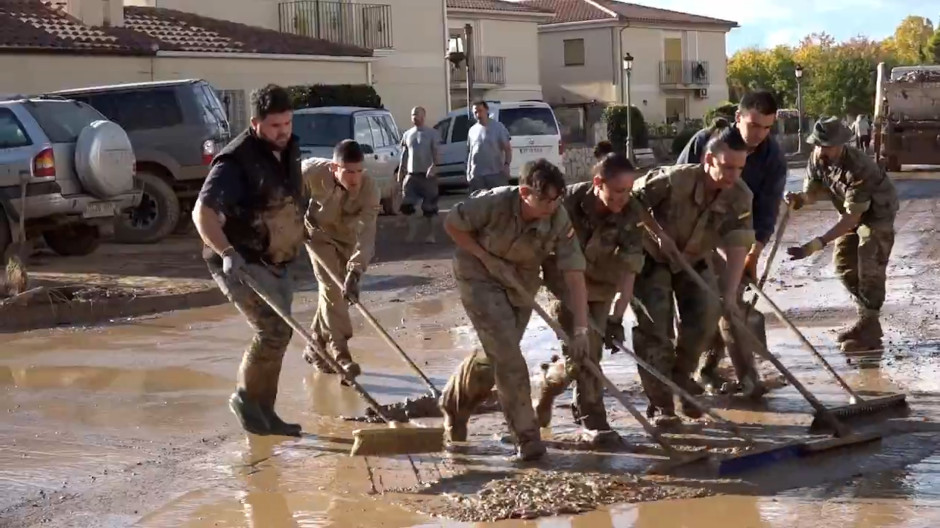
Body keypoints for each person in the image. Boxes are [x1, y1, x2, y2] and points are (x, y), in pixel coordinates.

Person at [438, 159, 591, 461]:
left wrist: (583, 328)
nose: (552, 206)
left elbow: (574, 270)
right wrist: (485, 257)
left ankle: (454, 404)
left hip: (520, 282)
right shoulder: (493, 204)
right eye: (545, 199)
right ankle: (527, 438)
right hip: (478, 276)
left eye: (557, 199)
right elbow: (452, 223)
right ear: (524, 193)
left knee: (494, 355)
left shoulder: (558, 217)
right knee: (508, 357)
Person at [192, 84, 306, 437]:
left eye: (287, 123)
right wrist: (227, 254)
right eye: (275, 126)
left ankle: (265, 413)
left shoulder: (288, 149)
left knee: (280, 333)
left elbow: (288, 198)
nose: (283, 131)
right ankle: (245, 400)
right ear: (256, 123)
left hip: (277, 259)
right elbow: (202, 212)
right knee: (272, 330)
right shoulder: (235, 161)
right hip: (240, 260)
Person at [632, 125, 754, 425]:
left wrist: (729, 294)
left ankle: (680, 376)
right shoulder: (674, 180)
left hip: (694, 256)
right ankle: (661, 405)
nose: (732, 175)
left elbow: (738, 245)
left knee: (707, 314)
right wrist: (657, 232)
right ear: (708, 160)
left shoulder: (740, 195)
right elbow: (631, 202)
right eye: (727, 167)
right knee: (656, 330)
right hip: (650, 258)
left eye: (739, 168)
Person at [676, 91, 787, 396]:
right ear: (739, 118)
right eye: (754, 126)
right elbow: (676, 185)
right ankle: (699, 372)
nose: (759, 135)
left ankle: (747, 378)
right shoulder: (704, 142)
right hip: (689, 234)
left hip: (734, 234)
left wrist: (755, 253)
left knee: (732, 300)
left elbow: (766, 212)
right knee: (705, 304)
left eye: (767, 128)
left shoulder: (772, 158)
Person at [534, 153, 645, 445]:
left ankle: (548, 384)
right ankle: (591, 419)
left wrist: (617, 318)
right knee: (587, 351)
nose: (624, 198)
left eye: (629, 191)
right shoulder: (567, 203)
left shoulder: (631, 211)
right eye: (618, 191)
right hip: (566, 286)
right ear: (598, 183)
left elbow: (630, 267)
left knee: (584, 354)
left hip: (602, 285)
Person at [785, 117, 898, 353]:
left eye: (828, 146)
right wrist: (799, 199)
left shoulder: (859, 166)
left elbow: (851, 219)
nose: (823, 150)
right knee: (843, 265)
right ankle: (867, 321)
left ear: (841, 144)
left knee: (869, 265)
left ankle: (870, 332)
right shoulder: (817, 158)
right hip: (851, 212)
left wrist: (815, 245)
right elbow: (813, 192)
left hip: (876, 214)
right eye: (819, 144)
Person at [300, 140, 381, 378]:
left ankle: (314, 346)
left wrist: (355, 271)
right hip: (317, 234)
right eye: (348, 171)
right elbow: (286, 186)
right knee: (332, 289)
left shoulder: (370, 190)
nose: (354, 178)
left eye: (358, 171)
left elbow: (367, 234)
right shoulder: (313, 171)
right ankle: (341, 355)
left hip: (346, 238)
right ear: (335, 168)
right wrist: (292, 216)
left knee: (340, 295)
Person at [398, 106, 441, 243]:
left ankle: (432, 235)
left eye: (417, 114)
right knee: (407, 206)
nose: (414, 117)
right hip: (412, 175)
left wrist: (433, 167)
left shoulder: (432, 134)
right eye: (412, 115)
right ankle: (412, 233)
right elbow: (404, 154)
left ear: (424, 116)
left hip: (428, 176)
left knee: (430, 209)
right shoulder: (407, 134)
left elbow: (437, 153)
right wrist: (401, 171)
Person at [466, 101, 512, 193]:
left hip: (496, 174)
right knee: (480, 204)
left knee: (498, 203)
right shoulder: (472, 130)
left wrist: (506, 165)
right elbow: (470, 152)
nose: (478, 114)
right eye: (475, 112)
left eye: (480, 111)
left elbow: (507, 149)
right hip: (477, 176)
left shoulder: (498, 127)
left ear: (486, 110)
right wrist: (469, 172)